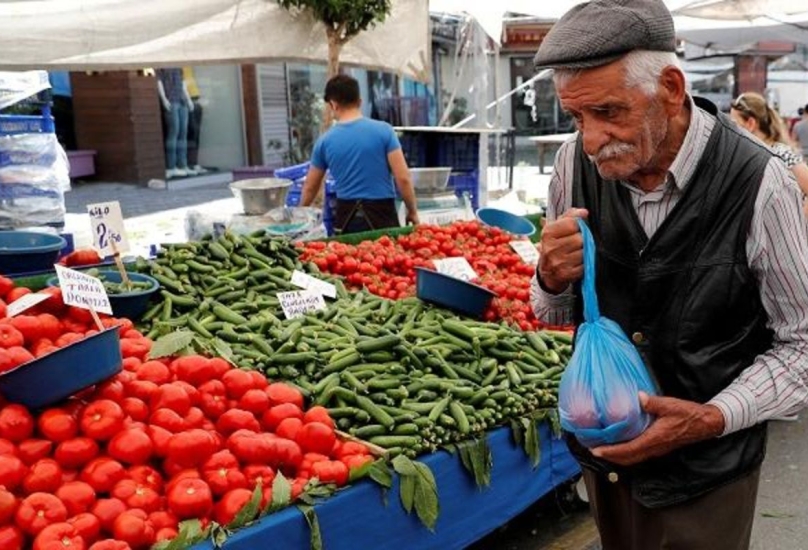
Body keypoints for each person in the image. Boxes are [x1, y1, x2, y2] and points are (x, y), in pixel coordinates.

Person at [530, 1, 808, 549]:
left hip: (706, 476)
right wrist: (550, 276)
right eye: (577, 117)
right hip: (606, 461)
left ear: (672, 88)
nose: (590, 141)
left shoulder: (760, 183)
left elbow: (801, 344)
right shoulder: (572, 166)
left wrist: (711, 417)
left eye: (609, 112)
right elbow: (555, 313)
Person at [300, 74, 419, 234]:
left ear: (333, 105)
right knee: (387, 257)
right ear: (360, 101)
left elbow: (310, 188)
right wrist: (412, 211)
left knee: (351, 258)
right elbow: (403, 179)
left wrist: (299, 215)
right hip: (382, 217)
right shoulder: (384, 131)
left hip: (346, 220)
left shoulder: (324, 141)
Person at [731, 92, 808, 214]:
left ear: (751, 123)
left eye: (735, 123)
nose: (732, 129)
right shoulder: (752, 156)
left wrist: (798, 224)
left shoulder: (781, 154)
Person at [156, 68, 193, 179]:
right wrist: (163, 99)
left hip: (182, 101)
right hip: (171, 100)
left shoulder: (178, 66)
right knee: (174, 132)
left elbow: (182, 83)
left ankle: (182, 165)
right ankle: (171, 167)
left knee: (183, 134)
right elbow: (159, 82)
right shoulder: (161, 65)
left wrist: (188, 99)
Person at [182, 67, 207, 175]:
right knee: (191, 133)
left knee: (196, 133)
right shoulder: (177, 64)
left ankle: (194, 163)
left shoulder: (189, 64)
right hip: (187, 99)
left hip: (195, 98)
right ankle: (189, 163)